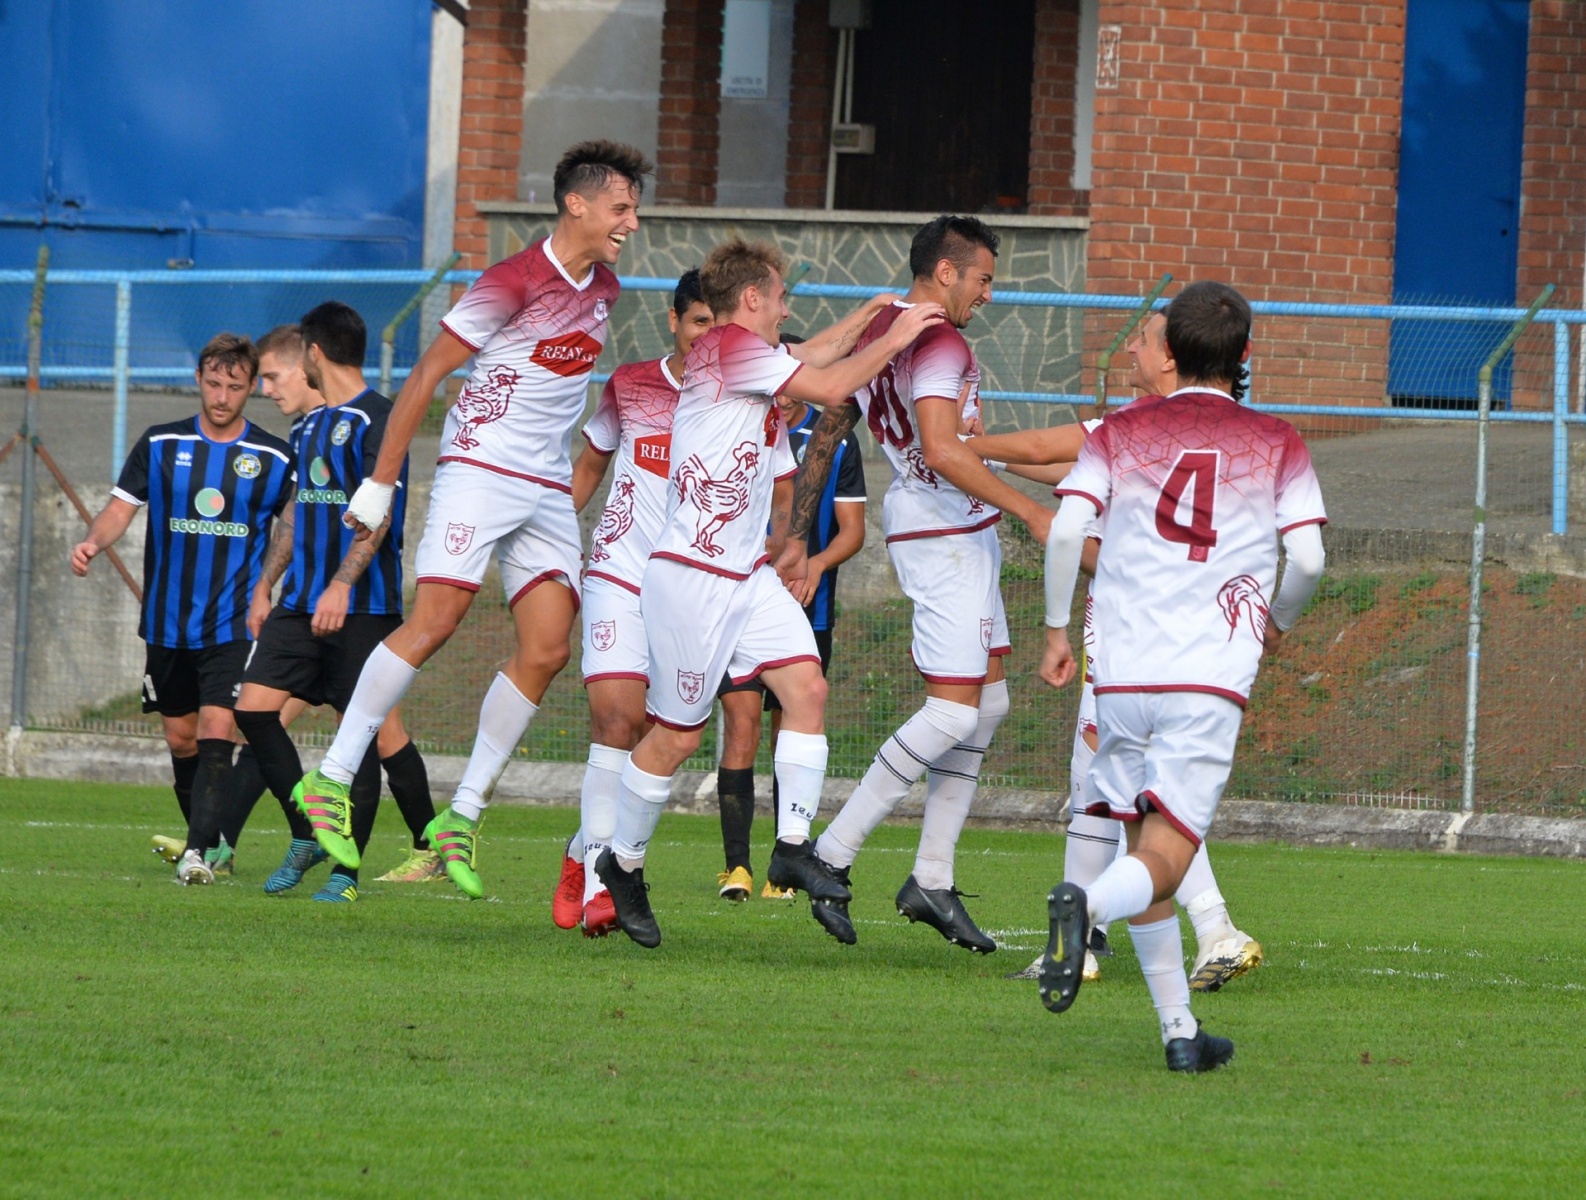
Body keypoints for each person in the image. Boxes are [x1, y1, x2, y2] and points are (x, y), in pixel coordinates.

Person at [294, 141, 653, 899]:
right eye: (620, 207)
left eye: (634, 209)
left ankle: (462, 813)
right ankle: (329, 775)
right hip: (480, 469)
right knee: (436, 620)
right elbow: (427, 374)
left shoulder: (606, 287)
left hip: (545, 485)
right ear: (577, 204)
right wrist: (380, 486)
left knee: (549, 648)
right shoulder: (511, 280)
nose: (631, 222)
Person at [595, 237, 945, 948]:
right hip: (692, 576)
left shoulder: (743, 358)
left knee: (806, 689)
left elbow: (808, 356)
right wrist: (898, 335)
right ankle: (620, 864)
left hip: (746, 575)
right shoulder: (727, 346)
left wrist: (869, 314)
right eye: (780, 298)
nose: (786, 310)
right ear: (752, 299)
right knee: (678, 736)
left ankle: (790, 848)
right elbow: (828, 385)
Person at [1036, 281, 1327, 1072]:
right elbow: (1307, 559)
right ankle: (1085, 909)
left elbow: (1066, 531)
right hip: (1205, 674)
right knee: (1165, 853)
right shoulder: (1276, 441)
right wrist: (1278, 619)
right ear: (1246, 354)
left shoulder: (1119, 431)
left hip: (1122, 672)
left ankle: (1179, 1032)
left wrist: (1057, 630)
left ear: (1169, 349)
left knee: (1142, 844)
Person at [969, 310, 1265, 992]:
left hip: (1135, 638)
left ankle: (1209, 927)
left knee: (1129, 786)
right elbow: (1056, 462)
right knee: (1103, 784)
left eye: (1143, 339)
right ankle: (1085, 943)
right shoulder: (1230, 436)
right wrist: (989, 457)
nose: (1129, 348)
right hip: (1193, 637)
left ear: (1172, 357)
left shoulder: (1136, 426)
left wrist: (960, 444)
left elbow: (1046, 449)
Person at [778, 215, 1052, 954]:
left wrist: (799, 533)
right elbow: (940, 448)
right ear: (946, 272)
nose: (988, 294)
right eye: (983, 279)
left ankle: (932, 875)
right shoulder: (940, 341)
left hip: (952, 528)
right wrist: (1031, 509)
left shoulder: (884, 328)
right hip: (942, 534)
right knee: (953, 713)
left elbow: (833, 422)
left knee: (987, 703)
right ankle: (829, 852)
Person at [549, 269, 772, 934]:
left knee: (658, 737)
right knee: (615, 721)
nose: (709, 336)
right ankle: (600, 888)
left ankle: (580, 849)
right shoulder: (631, 384)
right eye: (699, 322)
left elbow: (780, 481)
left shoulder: (747, 391)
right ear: (674, 322)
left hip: (688, 586)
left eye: (718, 325)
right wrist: (553, 549)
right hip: (619, 572)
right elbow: (589, 467)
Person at [208, 324, 442, 886]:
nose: (265, 388)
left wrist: (341, 584)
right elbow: (297, 509)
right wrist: (265, 583)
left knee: (363, 736)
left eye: (271, 376)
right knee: (253, 710)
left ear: (311, 357)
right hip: (299, 604)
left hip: (363, 607)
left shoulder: (379, 418)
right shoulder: (308, 424)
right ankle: (307, 833)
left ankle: (347, 875)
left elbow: (380, 514)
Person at [71, 333, 293, 884]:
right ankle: (213, 844)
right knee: (181, 739)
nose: (221, 396)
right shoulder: (161, 443)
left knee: (219, 728)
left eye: (234, 387)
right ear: (199, 379)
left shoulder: (273, 457)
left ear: (250, 388)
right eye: (213, 384)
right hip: (166, 623)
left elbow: (293, 526)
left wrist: (275, 585)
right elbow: (119, 508)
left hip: (232, 622)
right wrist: (94, 542)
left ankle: (196, 855)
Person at [736, 348, 869, 901]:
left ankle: (783, 862)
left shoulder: (835, 438)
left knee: (792, 723)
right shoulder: (738, 423)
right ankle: (736, 867)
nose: (784, 393)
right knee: (738, 726)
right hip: (735, 601)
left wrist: (815, 564)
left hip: (806, 606)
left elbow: (853, 530)